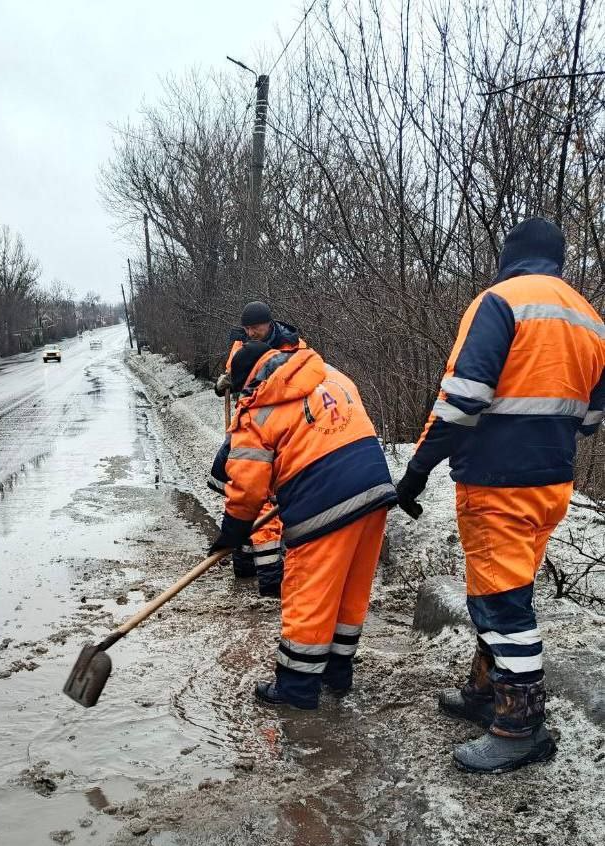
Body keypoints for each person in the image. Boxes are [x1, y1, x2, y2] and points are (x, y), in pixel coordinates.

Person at [395, 217, 605, 773]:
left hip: (497, 483)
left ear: (510, 255)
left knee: (500, 603)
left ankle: (520, 726)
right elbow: (590, 419)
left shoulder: (499, 302)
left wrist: (416, 472)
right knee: (509, 588)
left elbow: (461, 402)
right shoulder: (588, 318)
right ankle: (485, 692)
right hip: (552, 483)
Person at [210, 338, 397, 708]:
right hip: (375, 489)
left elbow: (247, 491)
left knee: (309, 596)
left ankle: (297, 689)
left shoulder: (258, 408)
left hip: (322, 506)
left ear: (249, 381)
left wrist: (230, 533)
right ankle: (337, 674)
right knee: (349, 590)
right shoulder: (328, 374)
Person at [214, 302, 300, 597]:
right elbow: (233, 370)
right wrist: (226, 379)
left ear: (269, 324)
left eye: (256, 328)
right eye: (247, 329)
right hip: (247, 417)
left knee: (263, 494)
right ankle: (244, 562)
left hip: (275, 420)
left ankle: (268, 576)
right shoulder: (241, 341)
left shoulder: (291, 345)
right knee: (239, 483)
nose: (251, 333)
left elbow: (293, 380)